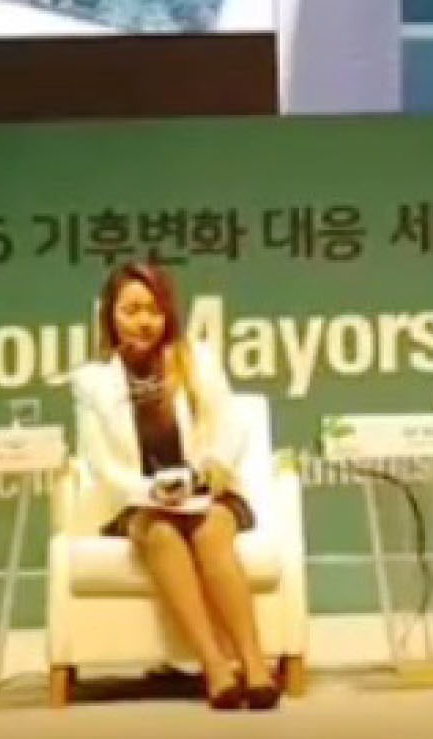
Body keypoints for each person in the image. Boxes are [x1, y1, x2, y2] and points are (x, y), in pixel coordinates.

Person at [68, 260, 281, 710]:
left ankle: (254, 664)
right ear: (109, 315)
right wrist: (150, 493)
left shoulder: (196, 359)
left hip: (207, 491)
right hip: (139, 502)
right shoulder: (92, 382)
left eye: (153, 309)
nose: (144, 321)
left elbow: (228, 425)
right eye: (131, 311)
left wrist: (209, 468)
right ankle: (215, 668)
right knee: (163, 534)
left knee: (211, 531)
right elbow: (102, 464)